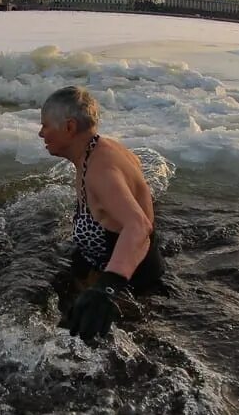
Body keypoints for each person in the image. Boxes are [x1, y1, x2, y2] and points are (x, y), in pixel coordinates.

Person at [39, 86, 164, 342]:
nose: (41, 133)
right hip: (109, 270)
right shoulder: (100, 150)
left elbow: (139, 226)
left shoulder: (101, 171)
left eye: (45, 126)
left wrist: (107, 288)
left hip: (131, 287)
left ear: (70, 127)